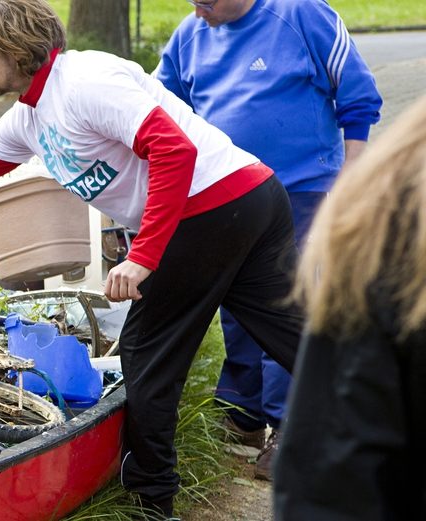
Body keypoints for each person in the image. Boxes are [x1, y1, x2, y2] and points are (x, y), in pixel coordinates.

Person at [0, 0, 303, 517]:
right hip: (249, 196)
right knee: (292, 334)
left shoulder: (83, 82)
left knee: (147, 352)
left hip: (213, 207)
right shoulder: (30, 115)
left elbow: (174, 151)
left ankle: (151, 499)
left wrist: (142, 256)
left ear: (15, 48)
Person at [154, 0, 382, 480]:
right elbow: (158, 110)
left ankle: (292, 426)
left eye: (207, 2)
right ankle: (244, 412)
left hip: (301, 188)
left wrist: (353, 177)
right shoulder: (188, 37)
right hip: (229, 191)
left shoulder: (302, 14)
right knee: (237, 302)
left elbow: (357, 96)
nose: (199, 13)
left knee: (288, 303)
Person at [274, 94, 426, 519]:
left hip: (297, 188)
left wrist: (350, 167)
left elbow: (360, 97)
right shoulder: (394, 211)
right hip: (277, 193)